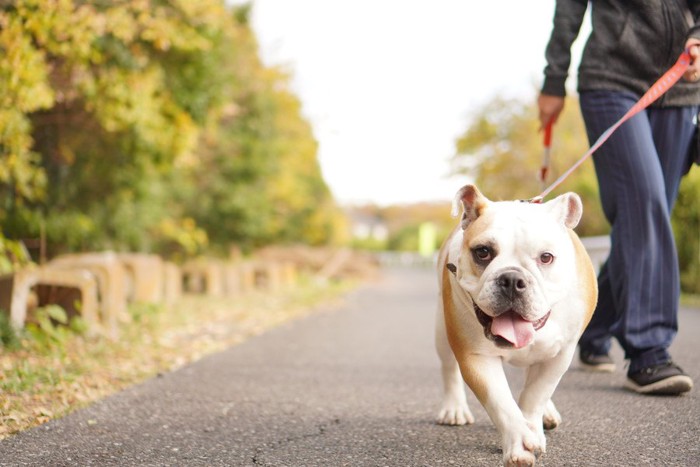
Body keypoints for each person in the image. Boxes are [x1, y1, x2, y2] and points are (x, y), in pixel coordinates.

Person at [538, 1, 700, 395]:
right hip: (611, 79)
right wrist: (553, 81)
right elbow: (568, 10)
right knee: (644, 207)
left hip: (681, 85)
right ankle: (649, 350)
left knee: (646, 220)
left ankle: (592, 327)